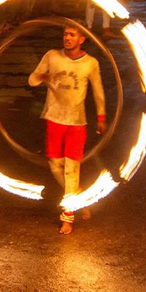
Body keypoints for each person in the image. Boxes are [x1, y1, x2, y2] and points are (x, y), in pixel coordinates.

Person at [28, 25, 107, 234]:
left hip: (76, 122)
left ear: (82, 39)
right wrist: (43, 77)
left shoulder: (90, 63)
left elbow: (98, 90)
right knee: (55, 167)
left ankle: (67, 218)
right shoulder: (52, 56)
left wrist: (101, 116)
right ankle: (78, 197)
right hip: (54, 118)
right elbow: (32, 80)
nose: (67, 38)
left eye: (72, 35)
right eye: (65, 34)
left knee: (72, 170)